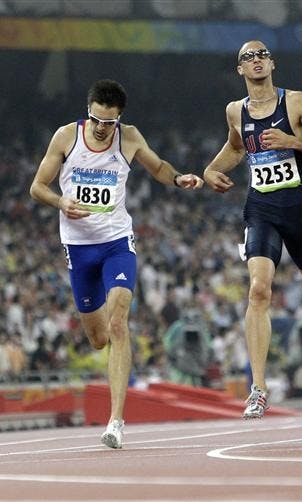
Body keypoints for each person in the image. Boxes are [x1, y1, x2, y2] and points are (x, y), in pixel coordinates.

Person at [29, 79, 203, 448]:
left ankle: (115, 422)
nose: (100, 128)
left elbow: (158, 167)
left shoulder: (130, 138)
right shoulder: (66, 137)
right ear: (88, 111)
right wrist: (61, 203)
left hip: (116, 242)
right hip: (78, 247)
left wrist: (178, 177)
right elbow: (37, 187)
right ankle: (112, 357)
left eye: (108, 123)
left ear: (119, 118)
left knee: (119, 322)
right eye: (95, 120)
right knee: (97, 338)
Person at [202, 41, 302, 419]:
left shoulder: (295, 103)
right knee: (258, 290)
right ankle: (259, 389)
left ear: (272, 63)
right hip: (260, 208)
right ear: (240, 70)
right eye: (247, 57)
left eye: (261, 54)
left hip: (298, 208)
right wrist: (211, 170)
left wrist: (292, 141)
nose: (256, 60)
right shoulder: (235, 111)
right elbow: (236, 147)